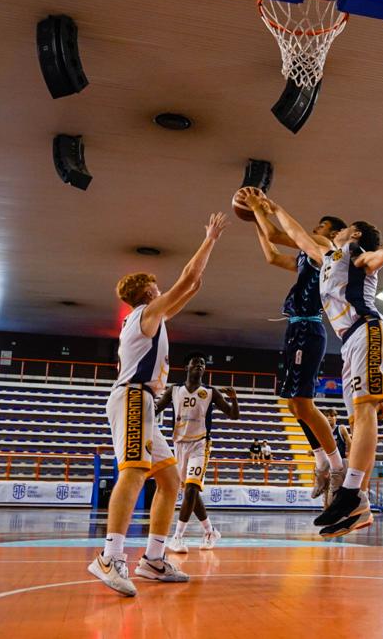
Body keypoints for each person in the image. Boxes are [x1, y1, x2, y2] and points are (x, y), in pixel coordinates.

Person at [252, 193, 383, 536]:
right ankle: (357, 505)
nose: (340, 230)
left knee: (364, 413)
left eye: (346, 228)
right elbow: (299, 235)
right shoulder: (327, 256)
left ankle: (351, 492)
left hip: (369, 331)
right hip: (349, 342)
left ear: (356, 235)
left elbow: (382, 257)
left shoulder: (357, 256)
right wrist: (272, 208)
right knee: (358, 417)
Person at [88, 211, 227, 596]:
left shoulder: (155, 317)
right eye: (154, 284)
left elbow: (192, 285)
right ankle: (110, 557)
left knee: (169, 480)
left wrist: (200, 267)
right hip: (133, 396)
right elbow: (186, 279)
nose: (159, 286)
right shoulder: (144, 316)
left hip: (143, 402)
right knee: (133, 472)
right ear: (146, 293)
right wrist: (210, 238)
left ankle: (152, 558)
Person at [245, 197, 350, 502]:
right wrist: (256, 222)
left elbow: (280, 235)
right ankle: (321, 463)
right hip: (297, 328)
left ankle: (337, 465)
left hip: (308, 328)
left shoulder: (323, 247)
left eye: (323, 224)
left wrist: (259, 210)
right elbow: (273, 256)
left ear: (333, 233)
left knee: (303, 404)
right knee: (294, 406)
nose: (317, 227)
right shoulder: (307, 257)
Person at [157, 353, 239, 554]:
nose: (200, 366)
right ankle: (210, 531)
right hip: (179, 445)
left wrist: (234, 400)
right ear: (187, 366)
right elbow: (156, 409)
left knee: (192, 490)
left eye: (202, 364)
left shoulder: (210, 392)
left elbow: (233, 415)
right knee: (188, 493)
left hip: (200, 444)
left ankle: (177, 537)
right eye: (196, 363)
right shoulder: (174, 390)